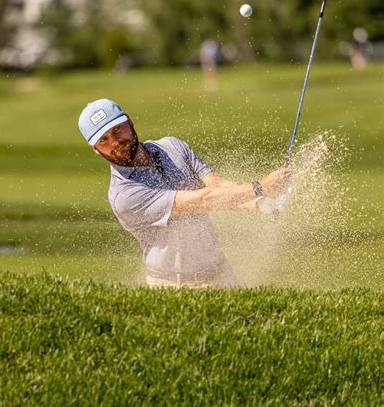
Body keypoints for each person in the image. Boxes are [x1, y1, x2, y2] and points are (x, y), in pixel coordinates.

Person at [78, 99, 288, 288]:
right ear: (95, 149)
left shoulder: (172, 147)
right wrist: (261, 187)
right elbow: (202, 201)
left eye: (117, 130)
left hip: (221, 273)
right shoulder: (124, 195)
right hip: (174, 286)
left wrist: (260, 203)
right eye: (104, 139)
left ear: (129, 122)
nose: (115, 141)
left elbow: (217, 188)